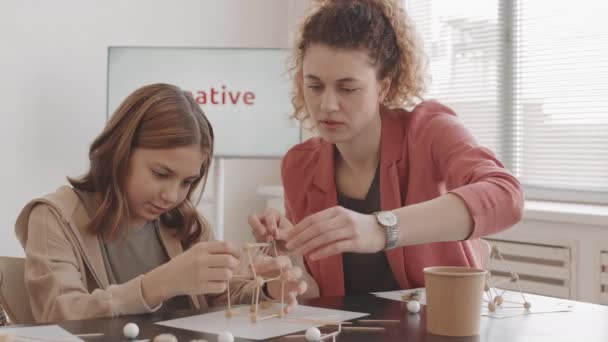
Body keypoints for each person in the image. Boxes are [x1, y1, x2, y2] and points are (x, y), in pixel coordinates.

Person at [249, 0, 524, 297]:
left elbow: (506, 195)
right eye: (314, 86)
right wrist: (285, 273)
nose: (327, 105)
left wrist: (381, 229)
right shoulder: (299, 165)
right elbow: (323, 298)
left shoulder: (429, 131)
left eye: (347, 88)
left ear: (384, 86)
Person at [15, 83, 306, 323]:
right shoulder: (52, 217)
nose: (172, 195)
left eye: (187, 182)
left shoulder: (183, 221)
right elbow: (57, 314)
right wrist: (159, 284)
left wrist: (268, 290)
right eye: (160, 174)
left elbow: (220, 294)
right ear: (119, 152)